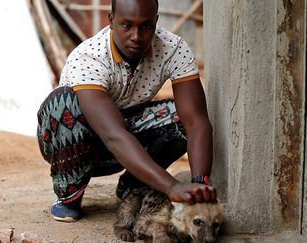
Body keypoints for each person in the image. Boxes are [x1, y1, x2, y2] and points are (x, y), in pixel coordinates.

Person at [36, 0, 217, 222]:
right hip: (75, 143)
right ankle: (69, 193)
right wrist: (171, 186)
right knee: (62, 102)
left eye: (145, 26)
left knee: (179, 116)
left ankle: (134, 185)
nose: (136, 36)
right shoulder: (89, 57)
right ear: (111, 20)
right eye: (127, 25)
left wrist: (200, 183)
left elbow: (196, 122)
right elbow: (113, 135)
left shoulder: (174, 49)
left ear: (156, 22)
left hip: (127, 132)